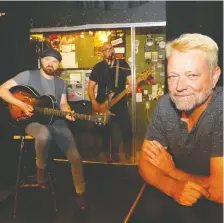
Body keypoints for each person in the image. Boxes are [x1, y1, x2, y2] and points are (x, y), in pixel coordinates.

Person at [131, 33, 223, 223]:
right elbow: (145, 165)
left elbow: (220, 191)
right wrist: (173, 188)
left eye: (192, 75)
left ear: (214, 76)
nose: (179, 87)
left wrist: (172, 172)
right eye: (173, 76)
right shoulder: (165, 105)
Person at [0, 48, 87, 210]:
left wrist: (67, 112)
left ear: (58, 65)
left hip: (57, 122)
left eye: (55, 62)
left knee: (75, 157)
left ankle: (80, 193)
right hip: (32, 121)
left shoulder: (60, 83)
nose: (50, 64)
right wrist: (21, 104)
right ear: (41, 60)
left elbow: (62, 104)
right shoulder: (28, 75)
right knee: (44, 136)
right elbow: (1, 90)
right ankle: (41, 172)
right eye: (48, 59)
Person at [88, 42, 133, 163]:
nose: (109, 51)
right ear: (102, 53)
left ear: (113, 49)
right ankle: (107, 156)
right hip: (102, 103)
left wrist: (131, 87)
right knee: (105, 132)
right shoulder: (98, 67)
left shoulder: (122, 64)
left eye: (110, 48)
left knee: (127, 129)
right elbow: (90, 87)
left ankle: (128, 155)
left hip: (120, 103)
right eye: (106, 49)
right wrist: (94, 103)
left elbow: (131, 82)